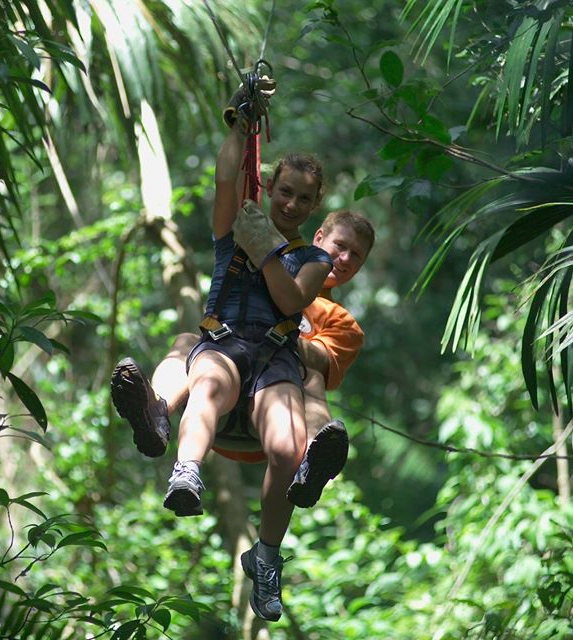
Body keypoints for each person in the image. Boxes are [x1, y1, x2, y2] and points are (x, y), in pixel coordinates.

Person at [111, 85, 333, 622]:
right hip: (226, 339)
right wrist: (240, 124)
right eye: (284, 191)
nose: (291, 204)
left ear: (314, 206)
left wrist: (267, 247)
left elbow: (290, 298)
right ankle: (184, 466)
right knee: (206, 385)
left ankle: (266, 556)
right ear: (272, 186)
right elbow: (225, 176)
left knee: (287, 447)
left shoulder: (313, 258)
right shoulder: (232, 232)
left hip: (276, 355)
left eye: (304, 199)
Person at [113, 209, 375, 505]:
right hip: (219, 395)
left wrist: (275, 333)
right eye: (340, 246)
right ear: (319, 238)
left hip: (270, 417)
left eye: (356, 256)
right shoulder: (272, 270)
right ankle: (155, 412)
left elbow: (323, 361)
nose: (344, 259)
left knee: (311, 376)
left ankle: (312, 461)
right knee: (188, 341)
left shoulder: (343, 323)